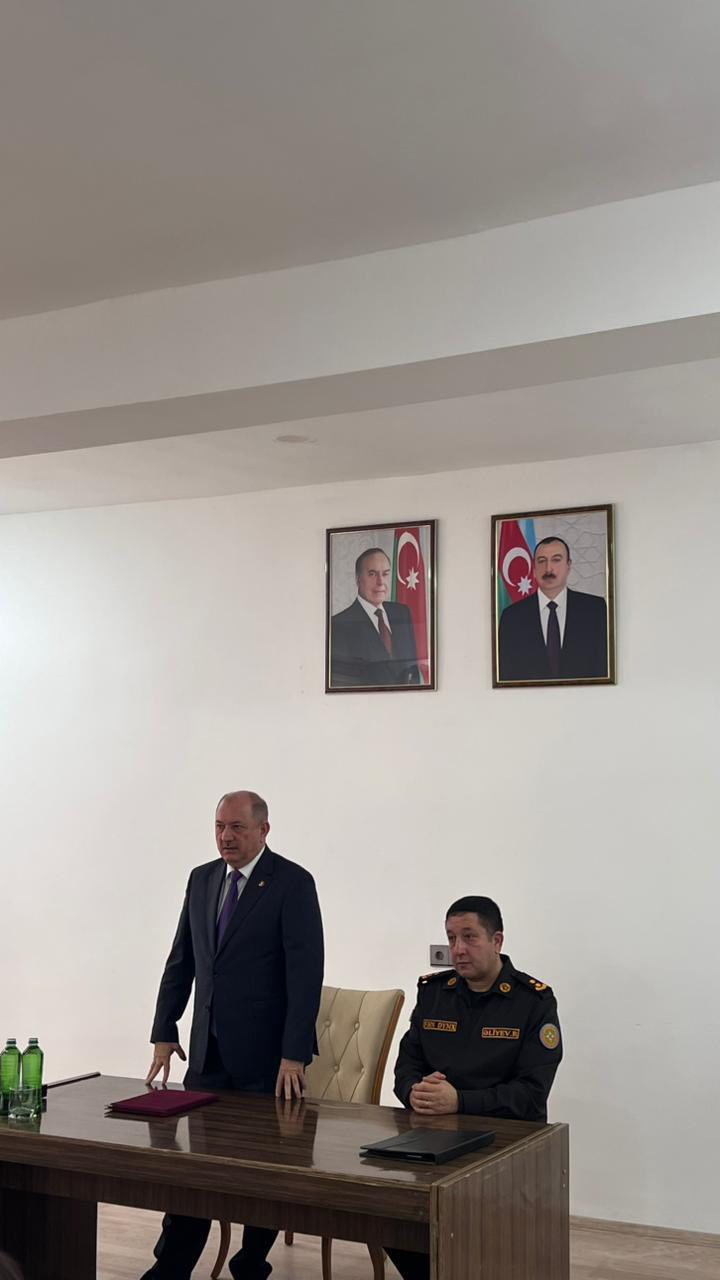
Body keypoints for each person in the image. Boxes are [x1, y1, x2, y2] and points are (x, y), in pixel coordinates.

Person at [141, 790, 324, 1280]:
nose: (226, 836)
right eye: (220, 826)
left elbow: (305, 975)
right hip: (208, 1052)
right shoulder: (202, 879)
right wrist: (164, 1029)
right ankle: (171, 1267)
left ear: (264, 830)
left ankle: (251, 1263)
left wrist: (294, 1054)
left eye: (237, 827)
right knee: (193, 1170)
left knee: (264, 1170)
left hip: (268, 1060)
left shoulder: (292, 882)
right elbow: (182, 958)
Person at [387, 895, 562, 1280]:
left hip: (505, 1144)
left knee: (478, 1234)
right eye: (451, 938)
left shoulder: (533, 1001)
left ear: (497, 941)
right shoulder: (434, 992)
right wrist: (413, 1091)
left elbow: (531, 1093)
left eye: (469, 937)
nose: (458, 950)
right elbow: (407, 1063)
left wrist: (460, 1101)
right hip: (433, 1136)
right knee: (386, 1203)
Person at [498, 536, 608, 681]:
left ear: (568, 565)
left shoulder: (595, 610)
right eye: (541, 561)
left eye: (556, 560)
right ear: (534, 568)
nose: (548, 568)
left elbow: (603, 667)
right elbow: (507, 673)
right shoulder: (512, 617)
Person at [330, 547, 420, 687]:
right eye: (372, 574)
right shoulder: (338, 625)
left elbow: (413, 671)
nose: (380, 582)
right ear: (358, 579)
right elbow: (343, 685)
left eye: (385, 574)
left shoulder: (402, 613)